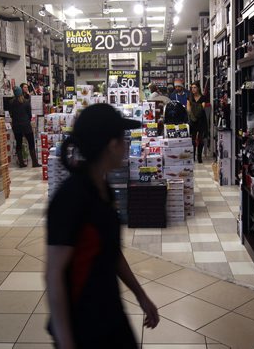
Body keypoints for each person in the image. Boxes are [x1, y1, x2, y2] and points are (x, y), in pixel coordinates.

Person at [46, 104, 159, 349]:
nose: (127, 145)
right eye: (123, 139)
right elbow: (53, 274)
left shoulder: (104, 190)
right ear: (111, 144)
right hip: (84, 327)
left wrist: (141, 295)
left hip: (110, 313)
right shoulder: (70, 198)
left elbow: (109, 250)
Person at [9, 86, 41, 168]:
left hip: (16, 126)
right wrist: (27, 120)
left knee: (19, 143)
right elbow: (29, 115)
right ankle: (34, 162)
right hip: (26, 125)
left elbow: (11, 114)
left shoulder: (11, 103)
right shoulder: (26, 102)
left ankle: (21, 163)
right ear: (21, 93)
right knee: (31, 143)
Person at [187, 82, 210, 163]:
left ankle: (199, 156)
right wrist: (193, 116)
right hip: (192, 120)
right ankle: (192, 156)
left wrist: (194, 108)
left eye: (195, 87)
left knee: (201, 139)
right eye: (192, 87)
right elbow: (188, 109)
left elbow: (202, 108)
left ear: (198, 88)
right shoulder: (189, 97)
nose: (193, 89)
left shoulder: (203, 97)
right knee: (192, 139)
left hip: (201, 120)